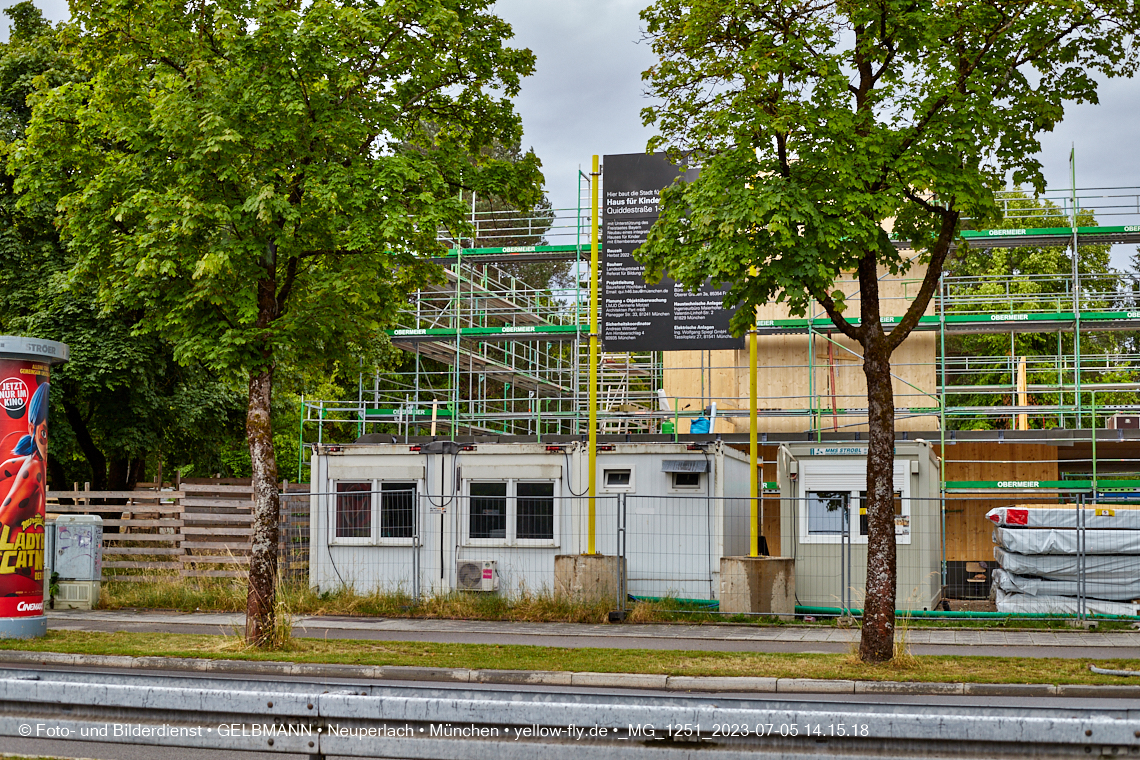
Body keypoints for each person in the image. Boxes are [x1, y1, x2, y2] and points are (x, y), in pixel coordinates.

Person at [0, 382, 49, 527]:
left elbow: (7, 467)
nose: (46, 443)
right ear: (32, 428)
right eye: (43, 433)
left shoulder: (30, 462)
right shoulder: (36, 466)